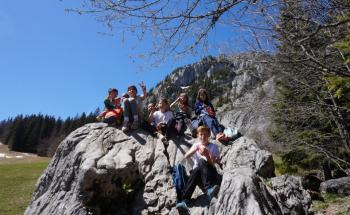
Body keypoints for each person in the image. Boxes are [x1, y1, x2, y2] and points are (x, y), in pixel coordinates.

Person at [176, 126, 221, 210]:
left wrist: (207, 154)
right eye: (201, 134)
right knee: (196, 169)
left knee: (201, 161)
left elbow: (213, 164)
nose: (203, 137)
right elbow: (186, 156)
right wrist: (196, 149)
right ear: (198, 135)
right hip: (199, 174)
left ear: (209, 135)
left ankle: (209, 189)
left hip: (210, 172)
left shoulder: (213, 147)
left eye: (205, 134)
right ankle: (185, 200)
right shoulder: (196, 145)